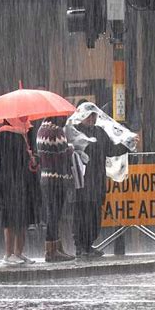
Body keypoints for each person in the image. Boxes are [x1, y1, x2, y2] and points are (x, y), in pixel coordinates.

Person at [65, 102, 138, 258]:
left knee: (94, 215)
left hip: (97, 180)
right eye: (88, 115)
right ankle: (80, 246)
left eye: (94, 115)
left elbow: (111, 150)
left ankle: (89, 245)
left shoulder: (99, 132)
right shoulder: (73, 131)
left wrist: (128, 144)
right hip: (80, 182)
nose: (91, 118)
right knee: (81, 214)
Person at [0, 118, 37, 266]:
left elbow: (32, 157)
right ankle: (8, 254)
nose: (25, 118)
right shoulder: (2, 134)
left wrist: (33, 159)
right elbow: (0, 160)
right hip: (9, 183)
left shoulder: (27, 132)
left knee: (23, 219)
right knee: (10, 219)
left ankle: (19, 252)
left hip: (25, 183)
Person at [36, 116, 75, 262]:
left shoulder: (41, 129)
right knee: (55, 215)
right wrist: (71, 148)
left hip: (46, 177)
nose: (66, 119)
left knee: (52, 213)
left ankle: (56, 247)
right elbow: (63, 154)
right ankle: (52, 251)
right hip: (58, 177)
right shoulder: (56, 131)